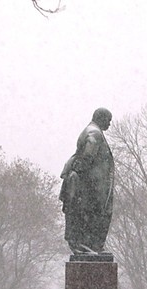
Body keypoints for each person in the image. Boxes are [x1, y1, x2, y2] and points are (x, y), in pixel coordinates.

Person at [59, 107, 115, 255]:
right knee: (94, 215)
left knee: (91, 215)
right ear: (100, 118)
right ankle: (88, 246)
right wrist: (82, 173)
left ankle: (92, 246)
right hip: (92, 186)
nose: (109, 124)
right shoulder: (94, 133)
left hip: (92, 185)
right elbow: (87, 156)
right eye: (108, 120)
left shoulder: (92, 130)